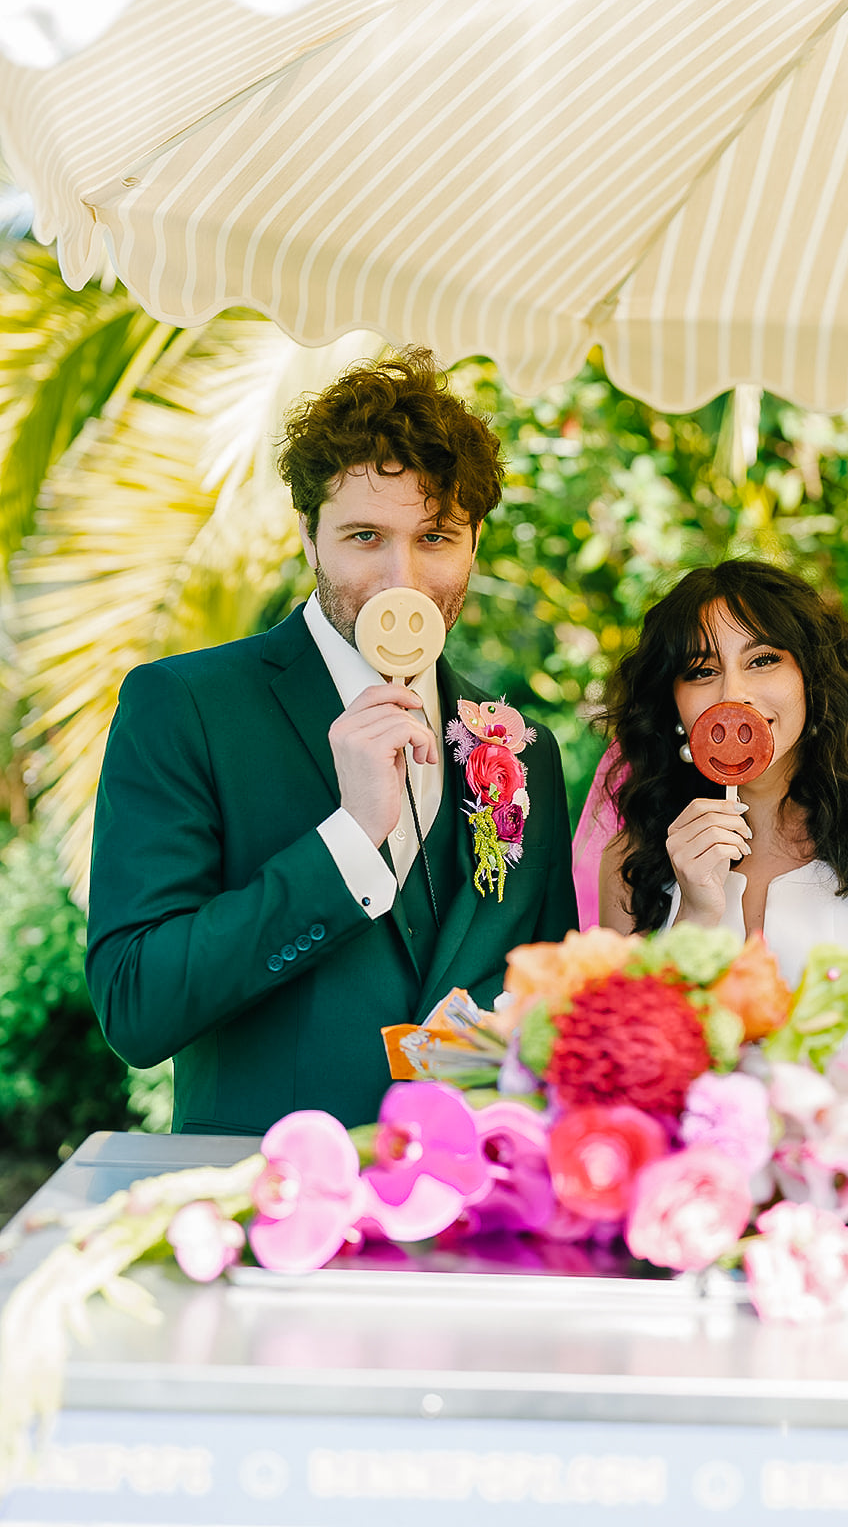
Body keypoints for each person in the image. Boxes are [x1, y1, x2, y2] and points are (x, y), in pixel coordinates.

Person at [86, 347, 578, 1134]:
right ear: (309, 537)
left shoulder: (520, 750)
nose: (401, 579)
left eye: (436, 537)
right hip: (270, 1203)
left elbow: (549, 996)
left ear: (474, 543)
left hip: (473, 1213)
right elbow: (136, 1005)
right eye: (364, 538)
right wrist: (349, 839)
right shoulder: (184, 707)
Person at [594, 559, 848, 1097]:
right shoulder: (633, 863)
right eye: (700, 671)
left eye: (764, 660)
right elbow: (617, 1079)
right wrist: (695, 911)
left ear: (810, 680)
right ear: (673, 704)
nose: (732, 694)